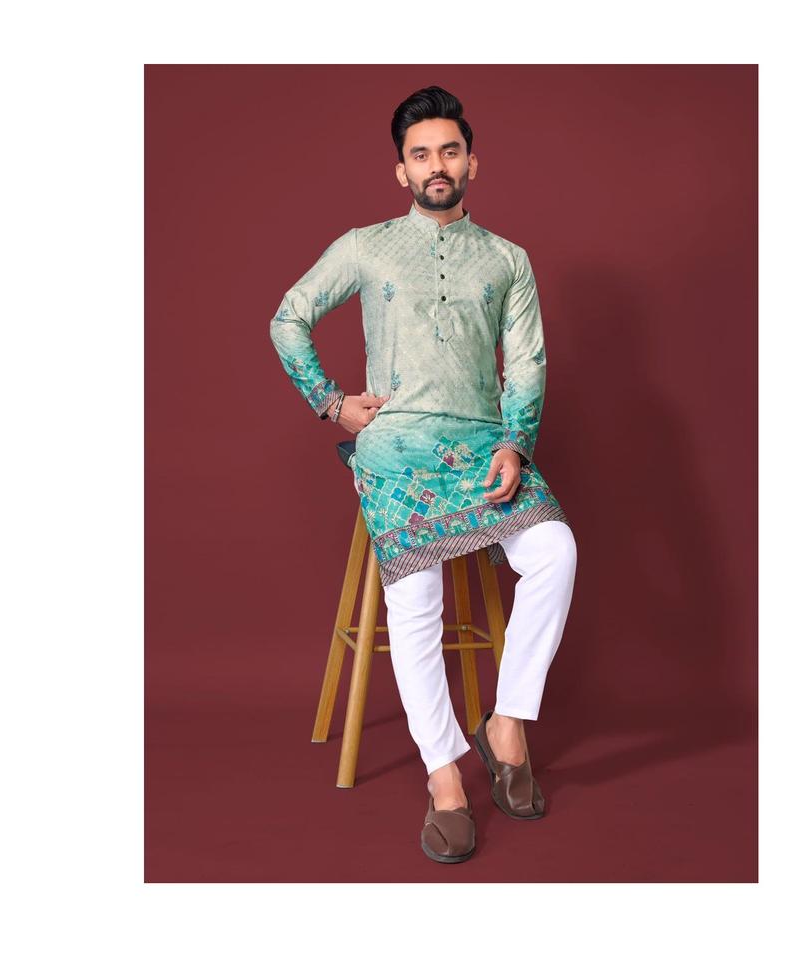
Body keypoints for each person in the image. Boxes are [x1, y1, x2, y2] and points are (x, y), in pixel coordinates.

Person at [269, 85, 577, 863]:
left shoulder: (506, 259)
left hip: (482, 447)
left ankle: (506, 724)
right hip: (395, 450)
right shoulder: (366, 246)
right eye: (420, 154)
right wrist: (331, 402)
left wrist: (516, 444)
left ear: (472, 162)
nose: (435, 165)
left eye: (448, 151)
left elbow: (527, 363)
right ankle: (444, 776)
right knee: (415, 598)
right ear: (400, 171)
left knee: (555, 551)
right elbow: (289, 316)